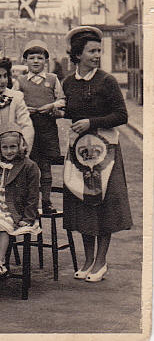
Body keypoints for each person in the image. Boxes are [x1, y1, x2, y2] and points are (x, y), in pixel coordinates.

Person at [61, 26, 132, 283]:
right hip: (80, 153)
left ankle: (101, 261)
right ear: (77, 54)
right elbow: (66, 111)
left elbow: (121, 115)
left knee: (103, 204)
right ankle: (88, 260)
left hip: (106, 153)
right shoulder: (68, 82)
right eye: (92, 51)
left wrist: (91, 122)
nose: (97, 55)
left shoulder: (107, 81)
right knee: (82, 203)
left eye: (99, 50)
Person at [0, 123, 41, 276]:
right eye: (5, 147)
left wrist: (28, 217)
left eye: (13, 147)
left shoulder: (29, 166)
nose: (9, 151)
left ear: (21, 145)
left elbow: (33, 196)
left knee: (4, 227)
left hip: (14, 209)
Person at [15, 40, 66, 214]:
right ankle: (30, 204)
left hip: (47, 127)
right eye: (31, 58)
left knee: (46, 166)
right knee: (28, 165)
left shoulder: (52, 79)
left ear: (46, 61)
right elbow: (14, 100)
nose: (36, 61)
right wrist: (23, 108)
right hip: (28, 128)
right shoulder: (20, 81)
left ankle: (46, 201)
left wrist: (51, 106)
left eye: (40, 58)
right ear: (25, 61)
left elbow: (62, 100)